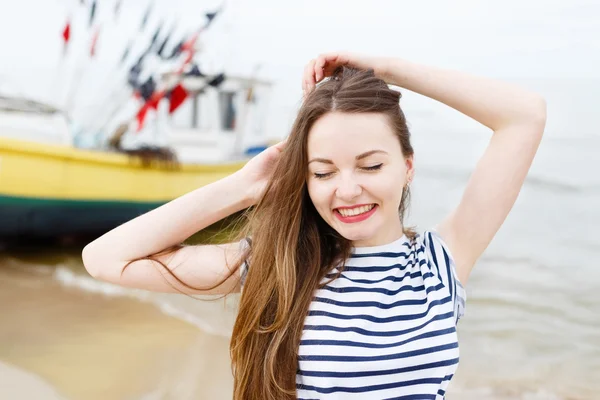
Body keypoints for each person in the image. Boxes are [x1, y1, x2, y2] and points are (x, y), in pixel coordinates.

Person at [82, 52, 546, 399]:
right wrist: (242, 188)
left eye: (370, 166)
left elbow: (523, 116)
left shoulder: (440, 265)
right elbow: (104, 258)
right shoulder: (280, 267)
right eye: (322, 172)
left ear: (407, 166)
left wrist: (385, 69)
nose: (346, 191)